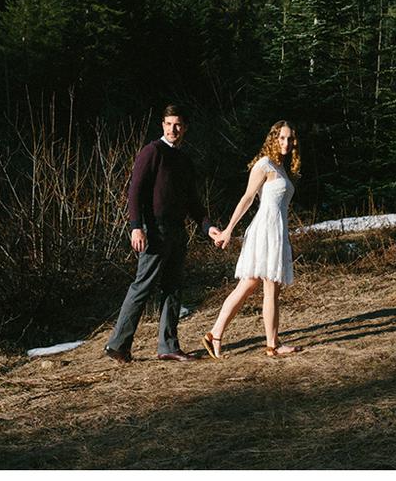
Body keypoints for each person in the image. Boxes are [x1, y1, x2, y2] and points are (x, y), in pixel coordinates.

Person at [105, 105, 222, 363]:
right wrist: (136, 226)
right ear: (162, 125)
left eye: (178, 124)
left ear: (185, 128)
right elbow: (135, 190)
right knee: (143, 285)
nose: (173, 129)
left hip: (177, 230)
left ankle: (168, 346)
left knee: (173, 288)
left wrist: (207, 227)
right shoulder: (152, 151)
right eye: (168, 124)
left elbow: (192, 201)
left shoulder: (184, 160)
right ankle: (118, 344)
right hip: (154, 230)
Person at [202, 120, 302, 358]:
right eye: (281, 138)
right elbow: (247, 198)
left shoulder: (281, 167)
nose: (286, 142)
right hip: (264, 231)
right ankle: (272, 345)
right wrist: (228, 230)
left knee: (249, 285)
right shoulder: (264, 164)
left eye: (289, 138)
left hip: (276, 231)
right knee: (270, 286)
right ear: (273, 138)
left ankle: (214, 334)